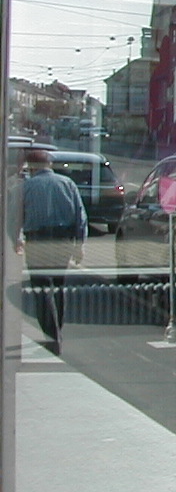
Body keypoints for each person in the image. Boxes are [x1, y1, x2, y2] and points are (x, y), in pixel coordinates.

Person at [20, 148, 87, 353]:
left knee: (41, 289)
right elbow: (80, 216)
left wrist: (16, 239)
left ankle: (51, 335)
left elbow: (17, 215)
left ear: (32, 167)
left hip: (37, 240)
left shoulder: (27, 187)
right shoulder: (67, 184)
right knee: (58, 285)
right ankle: (58, 329)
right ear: (49, 165)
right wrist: (79, 245)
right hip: (62, 239)